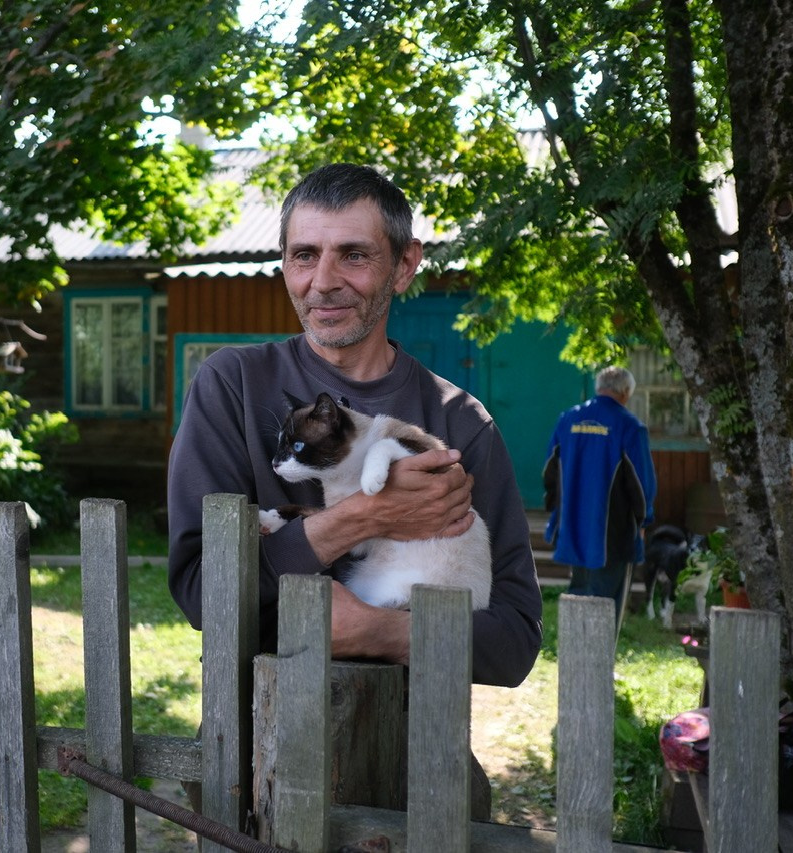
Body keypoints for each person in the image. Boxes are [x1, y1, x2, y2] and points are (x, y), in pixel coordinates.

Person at [166, 163, 542, 689]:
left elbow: (515, 645)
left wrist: (384, 633)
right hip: (251, 752)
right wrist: (364, 517)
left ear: (405, 265)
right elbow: (201, 593)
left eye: (355, 255)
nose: (323, 282)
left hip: (412, 755)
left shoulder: (460, 421)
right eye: (304, 256)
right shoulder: (233, 385)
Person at [542, 365, 657, 634]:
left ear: (599, 387)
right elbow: (642, 486)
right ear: (626, 392)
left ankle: (573, 665)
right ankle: (599, 669)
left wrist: (557, 512)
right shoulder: (630, 427)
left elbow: (549, 472)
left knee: (578, 595)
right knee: (606, 604)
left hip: (571, 527)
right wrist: (643, 521)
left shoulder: (567, 419)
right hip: (612, 534)